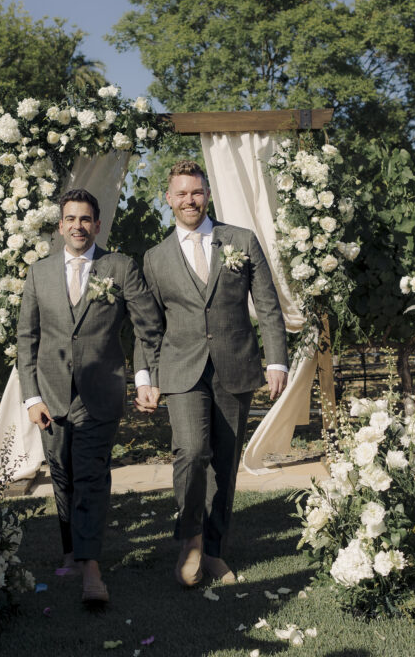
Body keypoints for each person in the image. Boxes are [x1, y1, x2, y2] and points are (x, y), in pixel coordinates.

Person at [136, 160, 288, 587]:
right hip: (181, 369)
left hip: (235, 364)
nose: (190, 200)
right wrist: (144, 377)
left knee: (225, 462)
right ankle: (190, 540)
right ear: (168, 199)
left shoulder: (240, 241)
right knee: (190, 449)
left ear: (207, 195)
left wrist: (275, 360)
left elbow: (268, 304)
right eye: (181, 193)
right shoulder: (154, 258)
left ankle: (215, 550)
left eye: (196, 192)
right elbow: (148, 326)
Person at [17, 188, 162, 605]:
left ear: (97, 225)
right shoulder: (39, 273)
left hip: (100, 393)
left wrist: (142, 377)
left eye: (86, 219)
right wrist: (31, 398)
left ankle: (92, 571)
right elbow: (26, 337)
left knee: (91, 475)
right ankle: (71, 549)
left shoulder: (119, 267)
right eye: (70, 219)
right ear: (60, 225)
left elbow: (146, 326)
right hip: (50, 395)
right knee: (62, 473)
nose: (78, 226)